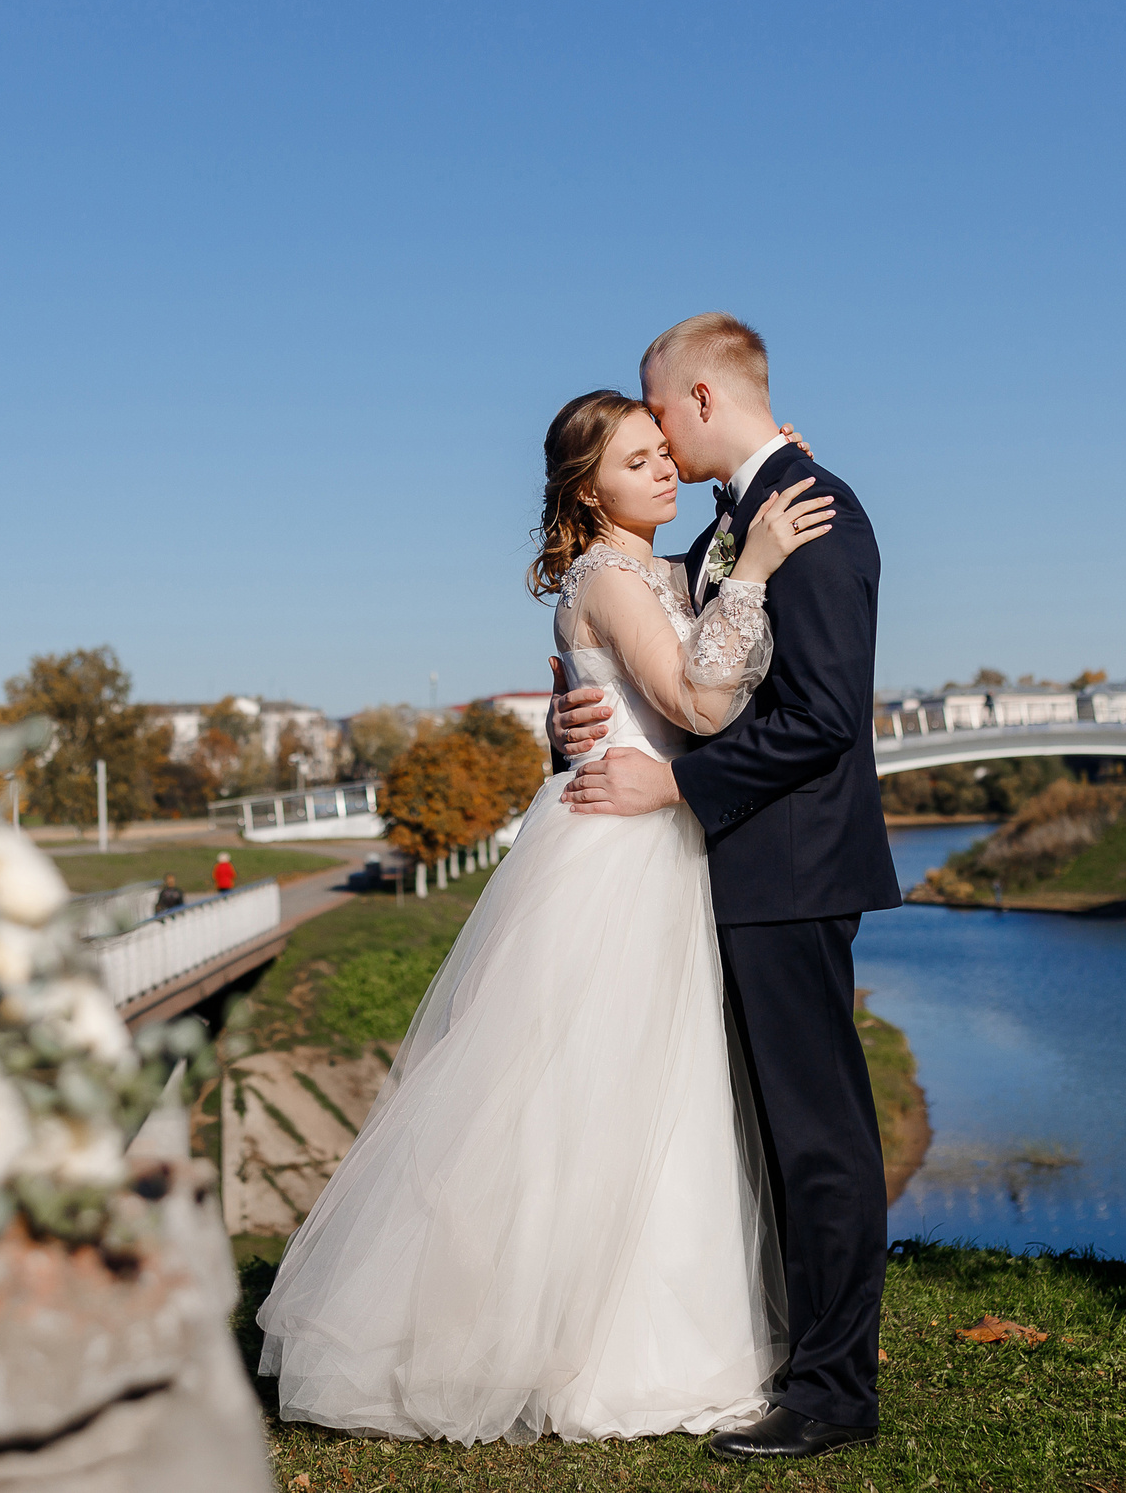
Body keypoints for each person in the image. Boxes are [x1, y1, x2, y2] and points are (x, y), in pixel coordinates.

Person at [257, 384, 837, 1444]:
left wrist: (756, 472)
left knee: (649, 1096)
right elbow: (703, 704)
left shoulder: (640, 567)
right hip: (619, 851)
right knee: (595, 1093)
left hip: (646, 837)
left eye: (666, 453)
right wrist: (752, 569)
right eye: (635, 463)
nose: (662, 470)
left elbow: (667, 627)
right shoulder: (612, 577)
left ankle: (645, 1333)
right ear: (586, 489)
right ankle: (588, 1349)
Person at [556, 313, 902, 1462]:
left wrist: (676, 788)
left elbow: (816, 720)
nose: (652, 429)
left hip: (789, 866)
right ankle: (790, 1352)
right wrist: (576, 721)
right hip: (735, 867)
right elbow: (676, 652)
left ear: (700, 399)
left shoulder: (813, 513)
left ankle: (834, 1393)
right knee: (765, 1132)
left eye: (659, 410)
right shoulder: (737, 519)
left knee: (818, 1136)